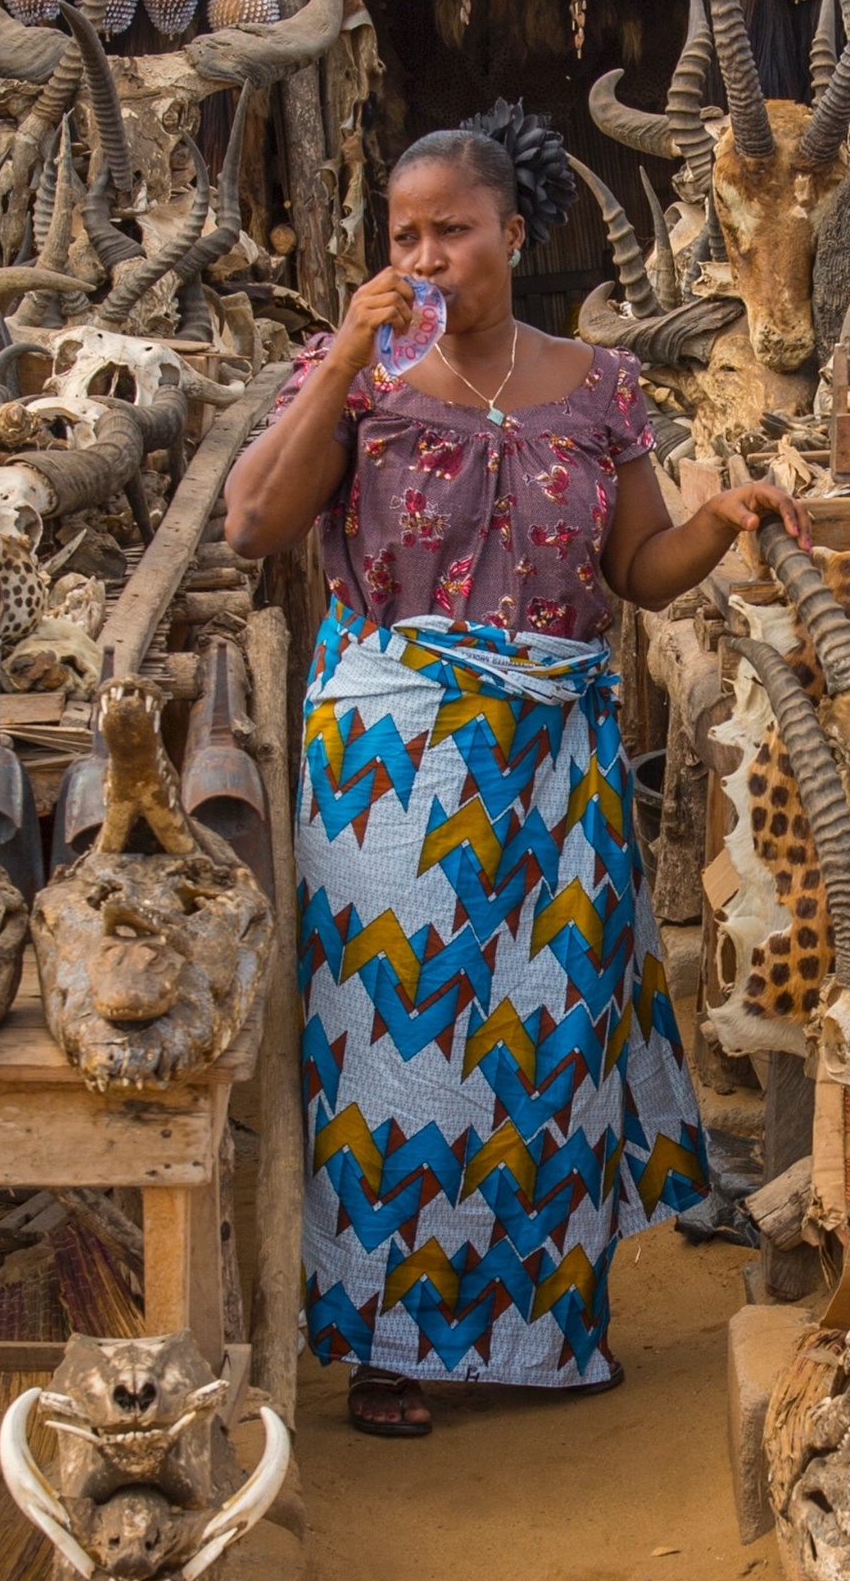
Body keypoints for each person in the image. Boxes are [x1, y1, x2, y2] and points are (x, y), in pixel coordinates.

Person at [225, 108, 809, 1437]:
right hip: (392, 767)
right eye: (402, 233)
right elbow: (257, 518)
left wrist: (719, 520)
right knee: (397, 1056)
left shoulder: (601, 385)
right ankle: (393, 1344)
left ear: (513, 235)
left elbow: (633, 573)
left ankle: (542, 1331)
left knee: (550, 1037)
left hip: (557, 759)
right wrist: (346, 359)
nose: (426, 254)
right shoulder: (355, 373)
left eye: (452, 230)